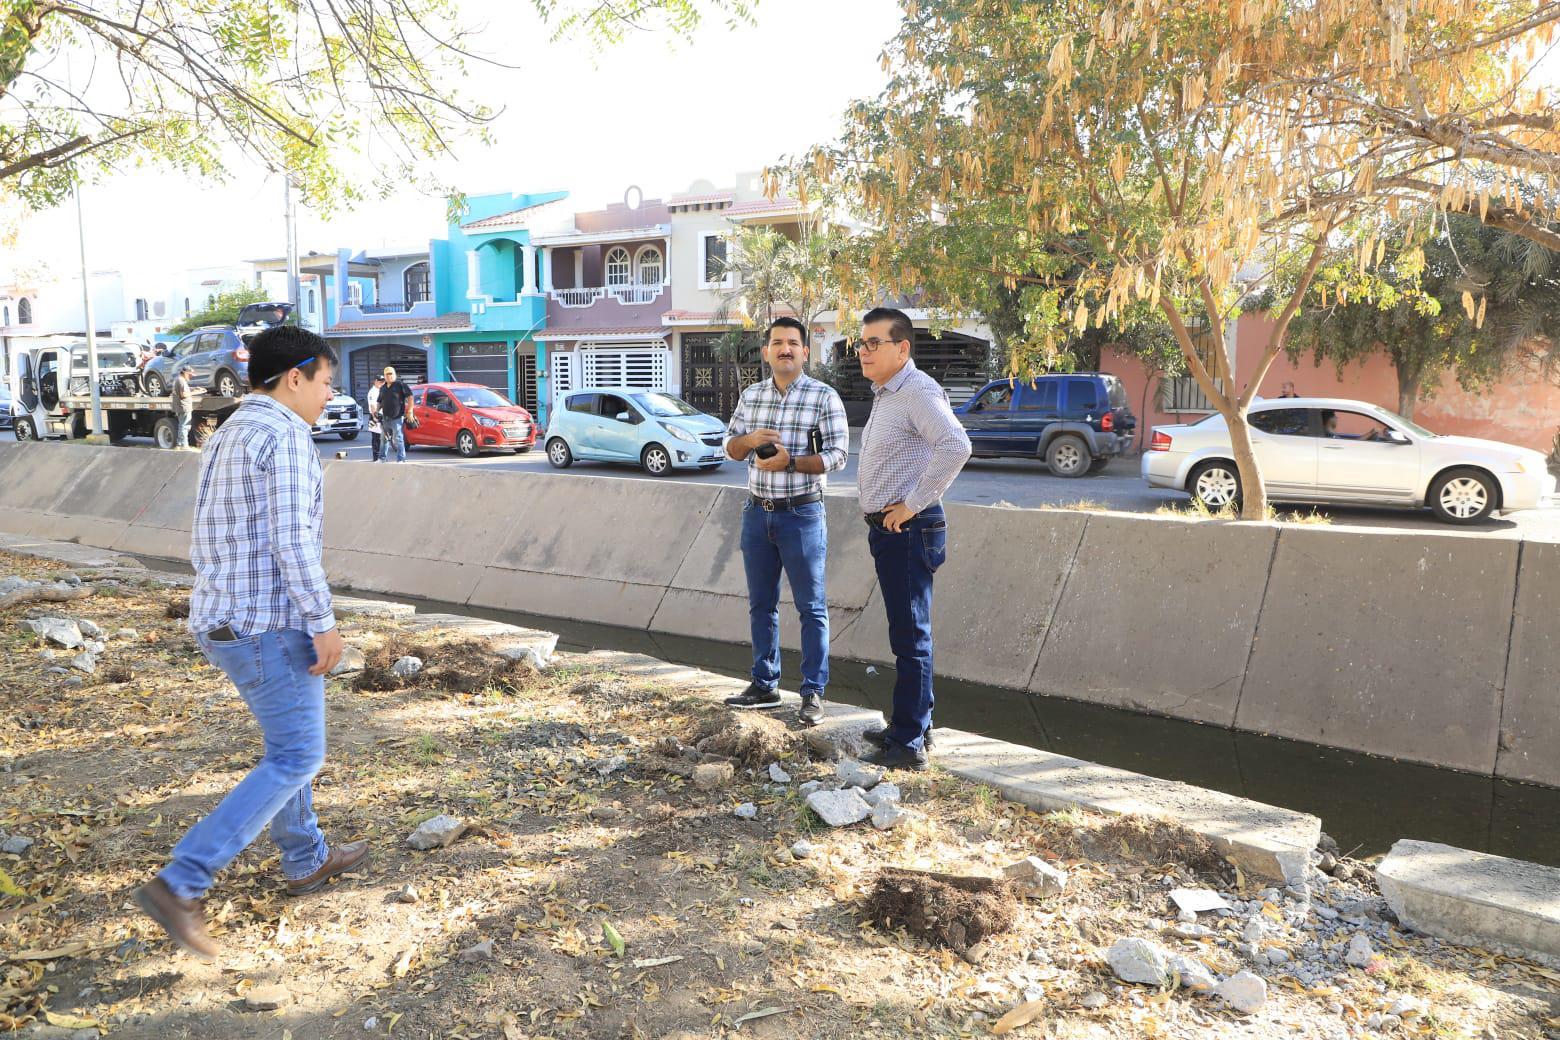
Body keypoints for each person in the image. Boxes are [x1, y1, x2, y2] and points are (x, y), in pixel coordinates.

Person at [133, 325, 363, 961]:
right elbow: (293, 540)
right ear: (295, 377)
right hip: (267, 623)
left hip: (224, 617)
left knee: (290, 743)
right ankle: (181, 882)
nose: (328, 395)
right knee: (298, 755)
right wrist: (323, 620)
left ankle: (305, 857)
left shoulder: (232, 428)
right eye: (325, 382)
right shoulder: (285, 436)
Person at [854, 307, 972, 771]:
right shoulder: (888, 392)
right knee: (908, 632)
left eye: (874, 343)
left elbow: (956, 445)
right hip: (892, 530)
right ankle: (914, 725)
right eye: (861, 344)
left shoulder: (916, 389)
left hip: (909, 528)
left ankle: (908, 744)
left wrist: (912, 504)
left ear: (902, 348)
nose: (864, 351)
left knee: (911, 636)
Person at [720, 317, 850, 727]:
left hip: (802, 514)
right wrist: (750, 441)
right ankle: (765, 685)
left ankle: (813, 692)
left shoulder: (824, 397)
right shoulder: (751, 396)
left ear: (805, 352)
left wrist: (790, 462)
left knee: (811, 607)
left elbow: (838, 456)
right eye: (777, 342)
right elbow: (730, 447)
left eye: (793, 343)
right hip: (757, 514)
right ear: (767, 351)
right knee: (761, 604)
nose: (785, 349)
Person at [377, 366, 415, 463]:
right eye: (387, 374)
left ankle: (401, 459)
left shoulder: (400, 385)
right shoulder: (383, 388)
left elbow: (410, 397)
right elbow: (380, 401)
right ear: (384, 376)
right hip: (385, 417)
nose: (389, 376)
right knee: (383, 439)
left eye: (391, 374)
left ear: (395, 375)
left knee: (398, 438)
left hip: (397, 417)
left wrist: (410, 411)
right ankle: (382, 459)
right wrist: (376, 412)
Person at [169, 364, 201, 449]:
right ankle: (184, 445)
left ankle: (179, 445)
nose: (191, 376)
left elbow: (182, 390)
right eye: (190, 375)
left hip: (181, 406)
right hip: (184, 407)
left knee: (182, 425)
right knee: (185, 426)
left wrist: (193, 389)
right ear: (185, 373)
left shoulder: (178, 379)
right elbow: (182, 395)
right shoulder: (181, 381)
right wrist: (196, 392)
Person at [366, 375, 386, 462]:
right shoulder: (373, 392)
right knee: (376, 438)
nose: (381, 383)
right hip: (374, 417)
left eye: (383, 381)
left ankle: (381, 457)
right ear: (375, 381)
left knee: (382, 437)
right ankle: (376, 457)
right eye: (380, 381)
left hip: (381, 416)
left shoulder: (381, 390)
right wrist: (375, 417)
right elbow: (372, 405)